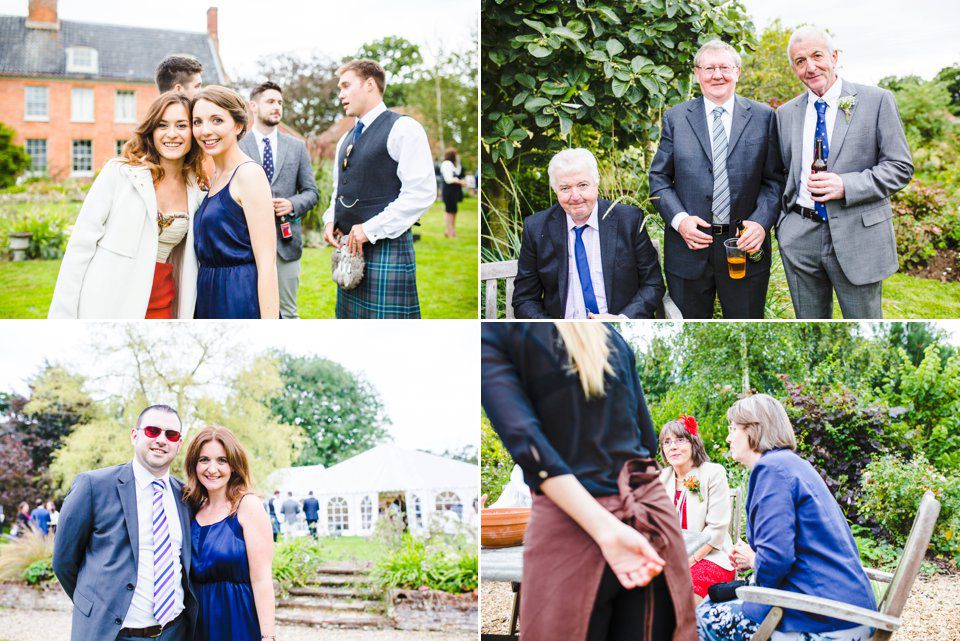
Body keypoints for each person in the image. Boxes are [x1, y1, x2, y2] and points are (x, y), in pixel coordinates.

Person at [482, 323, 696, 640]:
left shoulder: (497, 333)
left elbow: (529, 446)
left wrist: (605, 529)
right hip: (651, 521)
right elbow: (648, 442)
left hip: (570, 531)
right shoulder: (613, 336)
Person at [697, 394, 876, 641]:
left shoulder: (772, 470)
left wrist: (754, 560)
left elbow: (776, 561)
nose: (728, 438)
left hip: (827, 619)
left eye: (733, 429)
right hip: (845, 610)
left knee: (700, 619)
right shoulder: (789, 464)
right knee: (711, 602)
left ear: (754, 429)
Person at [776, 26, 913, 319]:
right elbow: (779, 173)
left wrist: (846, 186)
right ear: (794, 68)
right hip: (799, 236)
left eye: (817, 56)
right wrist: (784, 227)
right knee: (809, 327)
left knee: (863, 324)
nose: (810, 67)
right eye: (800, 61)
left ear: (834, 56)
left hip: (858, 235)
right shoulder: (785, 114)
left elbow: (900, 167)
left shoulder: (877, 100)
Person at [649, 40, 784, 319]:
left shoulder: (763, 117)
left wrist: (761, 223)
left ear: (738, 72)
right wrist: (680, 220)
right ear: (697, 74)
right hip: (689, 249)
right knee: (687, 330)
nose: (717, 75)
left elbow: (775, 180)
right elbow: (659, 179)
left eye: (724, 67)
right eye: (709, 68)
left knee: (747, 326)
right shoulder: (676, 118)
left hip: (743, 247)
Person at [48, 92, 205, 318]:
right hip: (107, 300)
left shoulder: (197, 190)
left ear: (193, 132)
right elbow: (80, 246)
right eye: (162, 125)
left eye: (181, 125)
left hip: (163, 303)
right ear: (151, 131)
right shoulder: (119, 173)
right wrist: (62, 315)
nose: (172, 134)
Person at [52, 404, 195, 641]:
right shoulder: (93, 486)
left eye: (171, 435)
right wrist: (95, 606)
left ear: (179, 444)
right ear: (134, 435)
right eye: (152, 431)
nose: (161, 440)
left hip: (175, 632)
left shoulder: (186, 497)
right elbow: (63, 561)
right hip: (114, 635)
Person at [322, 59, 436, 319]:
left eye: (346, 85)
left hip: (388, 249)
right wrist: (331, 220)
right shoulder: (345, 138)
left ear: (370, 84)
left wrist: (369, 230)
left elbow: (421, 192)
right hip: (349, 250)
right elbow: (338, 191)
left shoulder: (404, 128)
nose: (340, 94)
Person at [512, 148, 667, 319]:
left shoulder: (628, 220)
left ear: (596, 182)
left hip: (616, 324)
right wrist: (555, 329)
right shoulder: (536, 228)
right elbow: (524, 299)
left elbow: (653, 284)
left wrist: (622, 319)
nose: (575, 196)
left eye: (582, 185)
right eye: (565, 188)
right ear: (555, 189)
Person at [191, 85, 279, 319]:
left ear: (238, 125)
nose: (205, 130)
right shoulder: (213, 177)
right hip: (208, 294)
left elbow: (267, 263)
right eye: (197, 122)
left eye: (217, 120)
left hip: (238, 296)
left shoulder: (249, 174)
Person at [183, 425, 275, 641]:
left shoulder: (247, 506)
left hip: (238, 622)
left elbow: (262, 579)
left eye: (221, 460)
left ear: (233, 465)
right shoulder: (190, 509)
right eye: (204, 460)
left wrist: (268, 636)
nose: (212, 468)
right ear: (194, 465)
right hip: (197, 626)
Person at [238, 81, 319, 319]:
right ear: (253, 106)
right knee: (249, 312)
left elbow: (311, 192)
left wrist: (292, 204)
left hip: (286, 243)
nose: (277, 107)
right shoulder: (238, 146)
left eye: (280, 103)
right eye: (270, 102)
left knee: (288, 313)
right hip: (245, 243)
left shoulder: (297, 147)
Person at [657, 417, 734, 602]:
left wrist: (689, 561)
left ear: (694, 443)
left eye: (680, 440)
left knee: (682, 592)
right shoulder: (660, 478)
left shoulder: (713, 473)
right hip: (671, 560)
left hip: (710, 557)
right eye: (667, 442)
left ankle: (690, 631)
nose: (672, 446)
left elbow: (716, 529)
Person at [439, 147, 467, 238]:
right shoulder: (446, 164)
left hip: (453, 191)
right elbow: (449, 179)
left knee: (454, 211)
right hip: (448, 191)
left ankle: (450, 231)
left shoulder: (451, 164)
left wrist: (458, 161)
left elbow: (458, 171)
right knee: (449, 211)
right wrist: (460, 182)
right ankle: (450, 233)